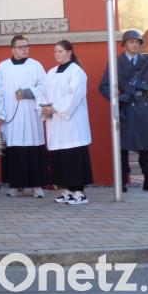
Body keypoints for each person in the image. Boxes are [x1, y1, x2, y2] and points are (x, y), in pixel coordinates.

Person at [99, 30, 148, 193]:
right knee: (123, 149)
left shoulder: (147, 61)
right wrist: (118, 98)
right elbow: (104, 86)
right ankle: (122, 182)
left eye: (137, 42)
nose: (134, 45)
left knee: (145, 149)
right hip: (125, 109)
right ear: (124, 44)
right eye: (131, 42)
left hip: (143, 108)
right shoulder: (116, 62)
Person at [0, 34, 49, 198]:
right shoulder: (3, 66)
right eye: (21, 47)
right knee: (14, 149)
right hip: (11, 115)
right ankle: (15, 185)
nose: (25, 49)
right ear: (13, 49)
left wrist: (29, 92)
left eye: (27, 46)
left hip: (31, 114)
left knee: (33, 148)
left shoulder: (36, 65)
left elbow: (44, 86)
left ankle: (37, 186)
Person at [42, 40, 93, 205]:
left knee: (74, 156)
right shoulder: (50, 73)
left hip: (72, 122)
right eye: (55, 52)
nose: (57, 54)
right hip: (56, 123)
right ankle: (67, 190)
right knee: (60, 157)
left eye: (60, 51)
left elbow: (74, 97)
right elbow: (44, 94)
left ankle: (79, 192)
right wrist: (45, 108)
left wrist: (55, 107)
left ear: (69, 52)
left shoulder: (77, 72)